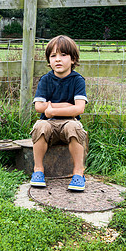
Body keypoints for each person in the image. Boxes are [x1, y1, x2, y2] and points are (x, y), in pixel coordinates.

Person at [30, 35, 88, 191]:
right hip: (49, 123)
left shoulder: (77, 80)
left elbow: (79, 109)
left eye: (63, 55)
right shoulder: (45, 80)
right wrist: (64, 106)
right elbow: (39, 107)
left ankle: (78, 173)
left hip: (70, 122)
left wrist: (53, 109)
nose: (58, 59)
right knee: (40, 126)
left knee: (74, 128)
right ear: (49, 61)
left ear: (73, 59)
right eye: (53, 55)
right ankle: (38, 170)